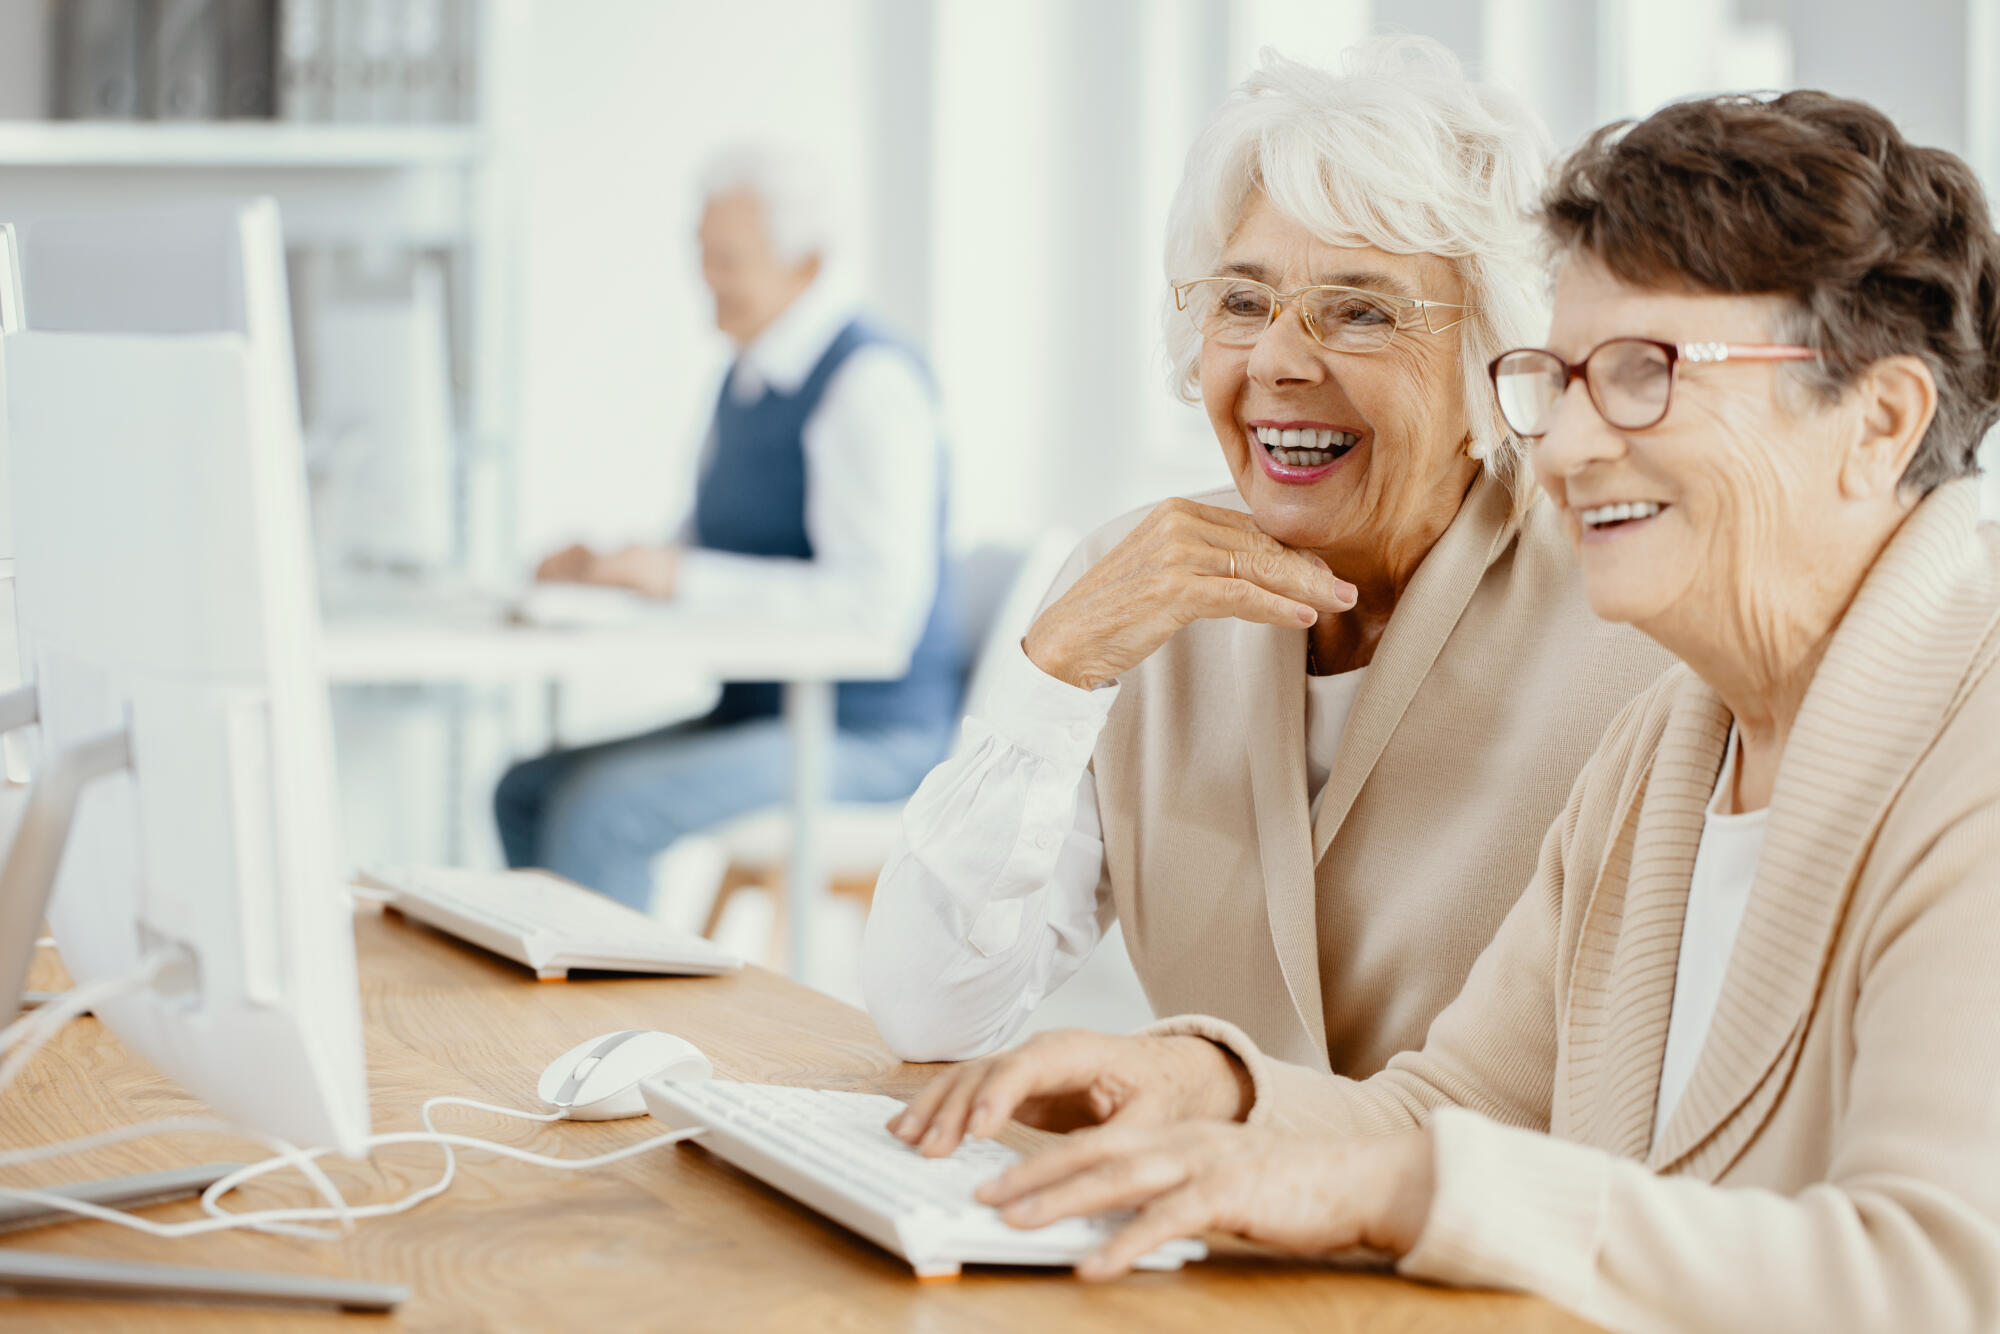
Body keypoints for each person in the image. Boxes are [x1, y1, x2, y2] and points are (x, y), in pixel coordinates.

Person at [890, 90, 2000, 1332]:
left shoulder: (1972, 742)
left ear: (1880, 419)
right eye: (1563, 379)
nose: (1569, 446)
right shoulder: (1677, 744)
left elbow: (1939, 1277)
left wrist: (1413, 1189)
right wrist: (1204, 1085)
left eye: (1641, 375)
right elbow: (1456, 1105)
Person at [862, 39, 1671, 1072]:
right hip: (1208, 1222)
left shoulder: (1631, 619)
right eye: (1240, 303)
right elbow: (928, 1009)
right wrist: (1051, 674)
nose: (1278, 361)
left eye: (1360, 311)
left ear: (1492, 354)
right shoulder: (1134, 588)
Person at [494, 146, 961, 909]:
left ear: (806, 264)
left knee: (605, 812)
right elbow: (713, 549)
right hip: (760, 713)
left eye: (728, 259)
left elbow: (877, 609)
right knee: (527, 790)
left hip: (866, 738)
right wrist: (617, 567)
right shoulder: (745, 377)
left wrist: (677, 577)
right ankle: (540, 1004)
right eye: (702, 254)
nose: (705, 277)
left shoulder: (869, 385)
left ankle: (604, 1026)